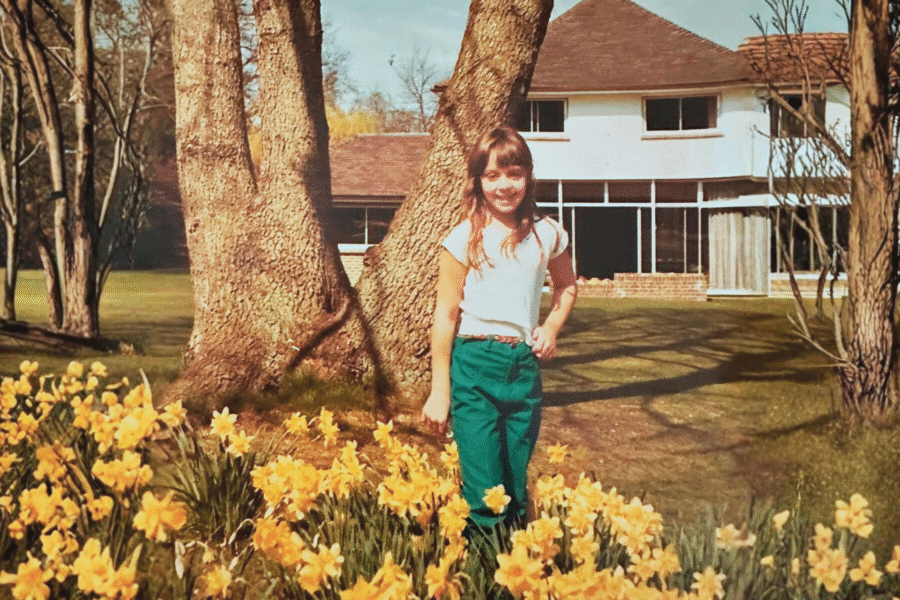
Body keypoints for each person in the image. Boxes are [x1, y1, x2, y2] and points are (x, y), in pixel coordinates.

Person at [421, 125, 578, 541]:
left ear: (528, 176)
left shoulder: (548, 233)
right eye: (492, 176)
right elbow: (445, 314)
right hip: (474, 367)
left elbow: (566, 285)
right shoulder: (462, 239)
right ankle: (484, 580)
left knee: (514, 492)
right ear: (478, 181)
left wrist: (550, 327)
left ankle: (516, 577)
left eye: (514, 173)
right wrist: (440, 391)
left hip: (522, 370)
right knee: (485, 497)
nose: (504, 185)